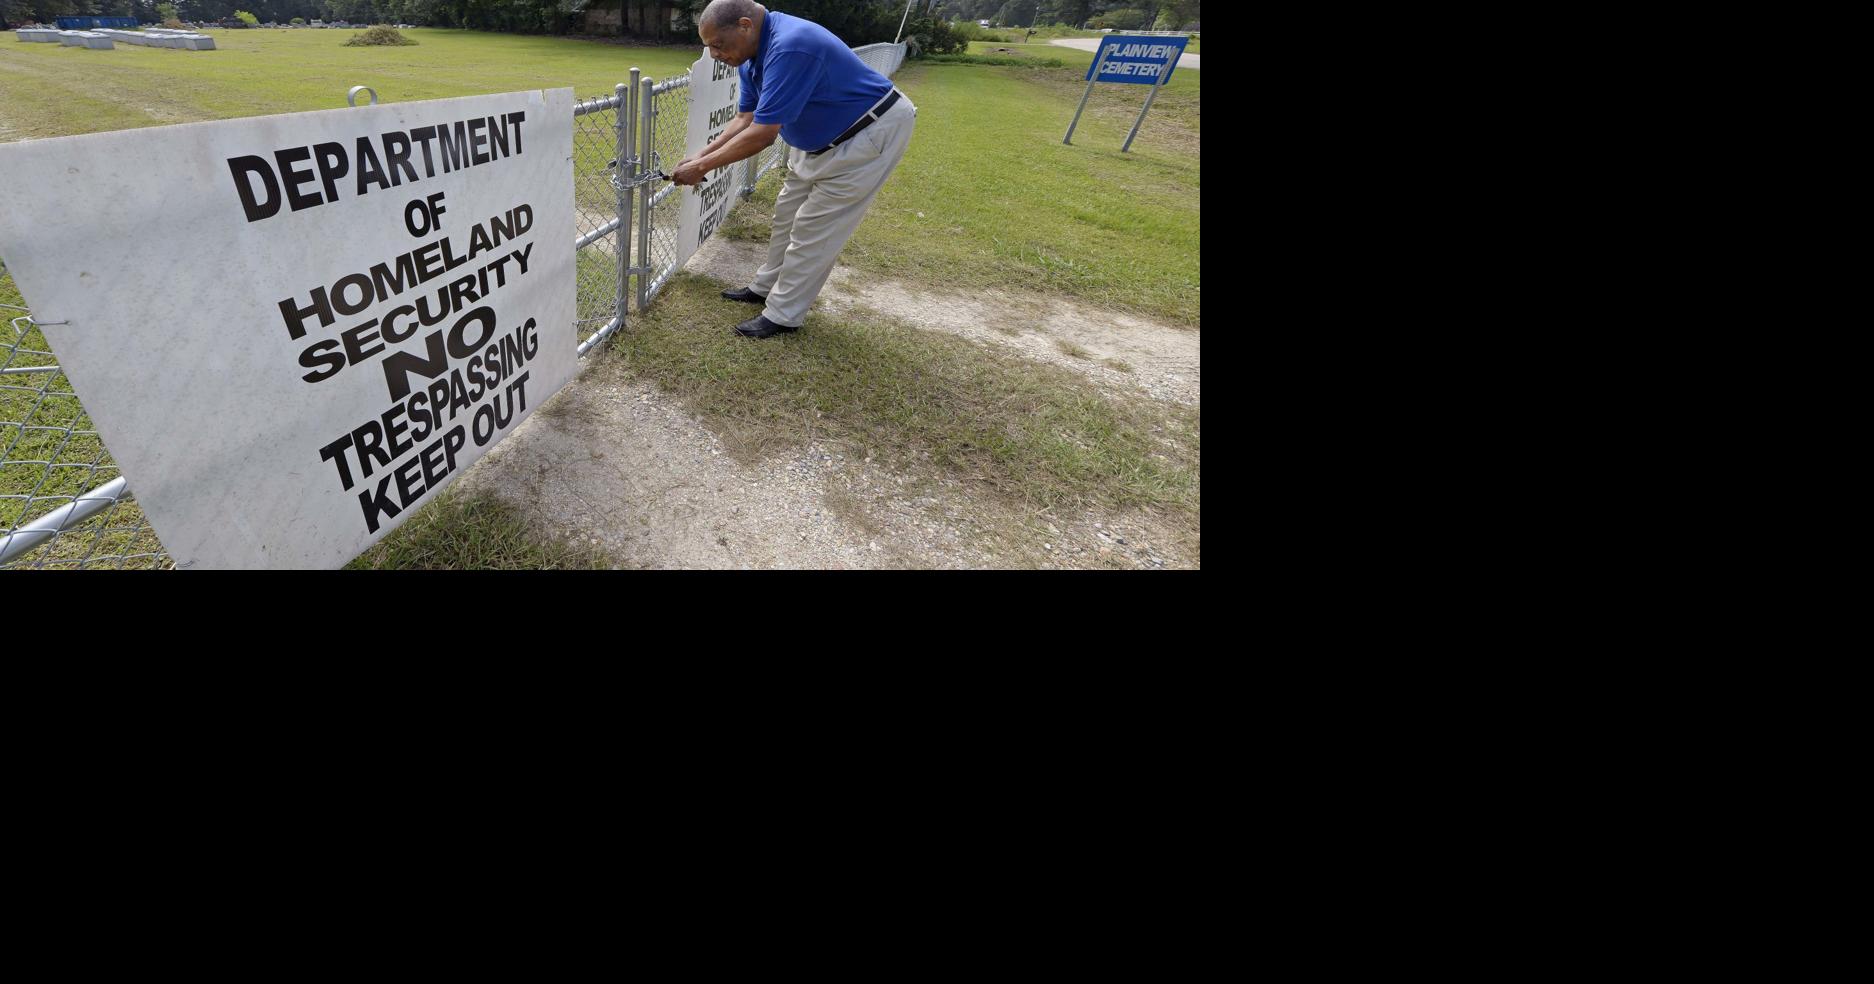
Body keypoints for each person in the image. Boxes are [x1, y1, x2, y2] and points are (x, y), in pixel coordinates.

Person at [672, 0, 916, 339]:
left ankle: (784, 314)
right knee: (786, 213)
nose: (714, 54)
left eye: (718, 44)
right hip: (818, 141)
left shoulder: (792, 46)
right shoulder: (748, 56)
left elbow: (763, 134)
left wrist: (701, 166)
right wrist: (699, 157)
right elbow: (745, 119)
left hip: (869, 132)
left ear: (745, 25)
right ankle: (764, 286)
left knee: (814, 228)